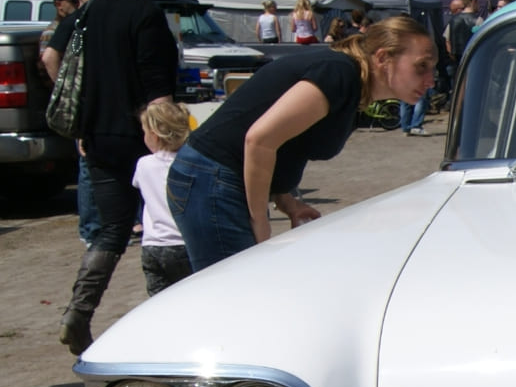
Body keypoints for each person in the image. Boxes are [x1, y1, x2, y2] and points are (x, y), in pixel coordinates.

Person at [167, 15, 435, 271]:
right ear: (382, 58)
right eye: (421, 66)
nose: (430, 81)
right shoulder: (339, 73)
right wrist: (259, 221)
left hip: (216, 178)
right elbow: (259, 140)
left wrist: (287, 202)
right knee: (234, 296)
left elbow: (288, 143)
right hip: (211, 179)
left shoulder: (352, 84)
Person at [52, 0, 176, 354]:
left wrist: (83, 130)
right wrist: (174, 141)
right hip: (146, 138)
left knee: (112, 231)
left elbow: (61, 64)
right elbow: (157, 89)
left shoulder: (88, 13)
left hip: (98, 137)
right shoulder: (145, 16)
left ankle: (78, 313)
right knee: (166, 227)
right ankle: (168, 318)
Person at [42, 0, 104, 249]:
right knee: (88, 165)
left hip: (108, 104)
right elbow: (52, 56)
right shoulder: (77, 25)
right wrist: (65, 92)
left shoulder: (102, 21)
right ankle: (90, 230)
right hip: (85, 107)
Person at [132, 101, 193, 295]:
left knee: (158, 299)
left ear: (154, 136)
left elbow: (137, 184)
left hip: (153, 245)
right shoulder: (190, 164)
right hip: (183, 243)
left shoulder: (144, 164)